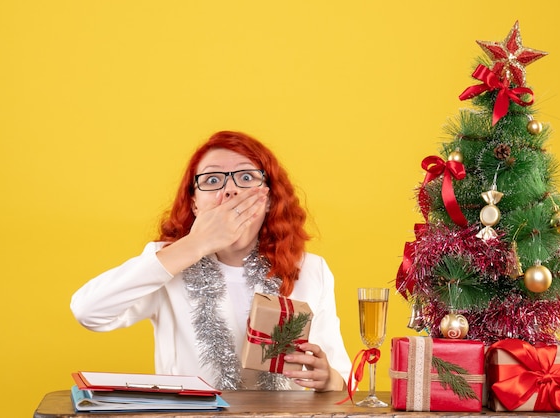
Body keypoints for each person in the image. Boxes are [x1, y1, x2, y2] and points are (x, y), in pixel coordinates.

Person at [71, 130, 351, 391]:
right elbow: (88, 311)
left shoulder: (311, 270)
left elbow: (344, 382)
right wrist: (195, 244)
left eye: (246, 178)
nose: (229, 191)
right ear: (195, 204)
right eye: (212, 180)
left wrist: (329, 379)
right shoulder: (168, 262)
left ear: (268, 199)